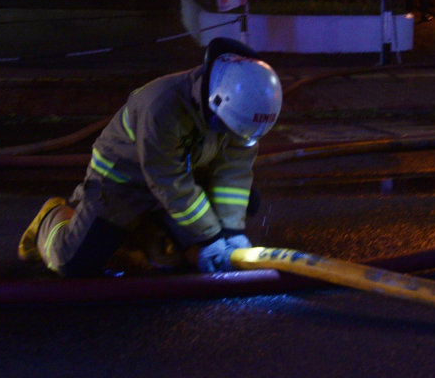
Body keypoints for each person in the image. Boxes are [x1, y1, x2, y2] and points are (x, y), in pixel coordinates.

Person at [20, 38, 282, 277]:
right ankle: (52, 216)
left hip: (177, 178)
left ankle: (148, 229)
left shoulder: (242, 111)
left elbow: (233, 174)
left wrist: (231, 233)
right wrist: (211, 237)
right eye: (227, 128)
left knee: (246, 201)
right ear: (215, 101)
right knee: (72, 264)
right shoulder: (162, 107)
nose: (231, 136)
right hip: (121, 184)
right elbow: (169, 181)